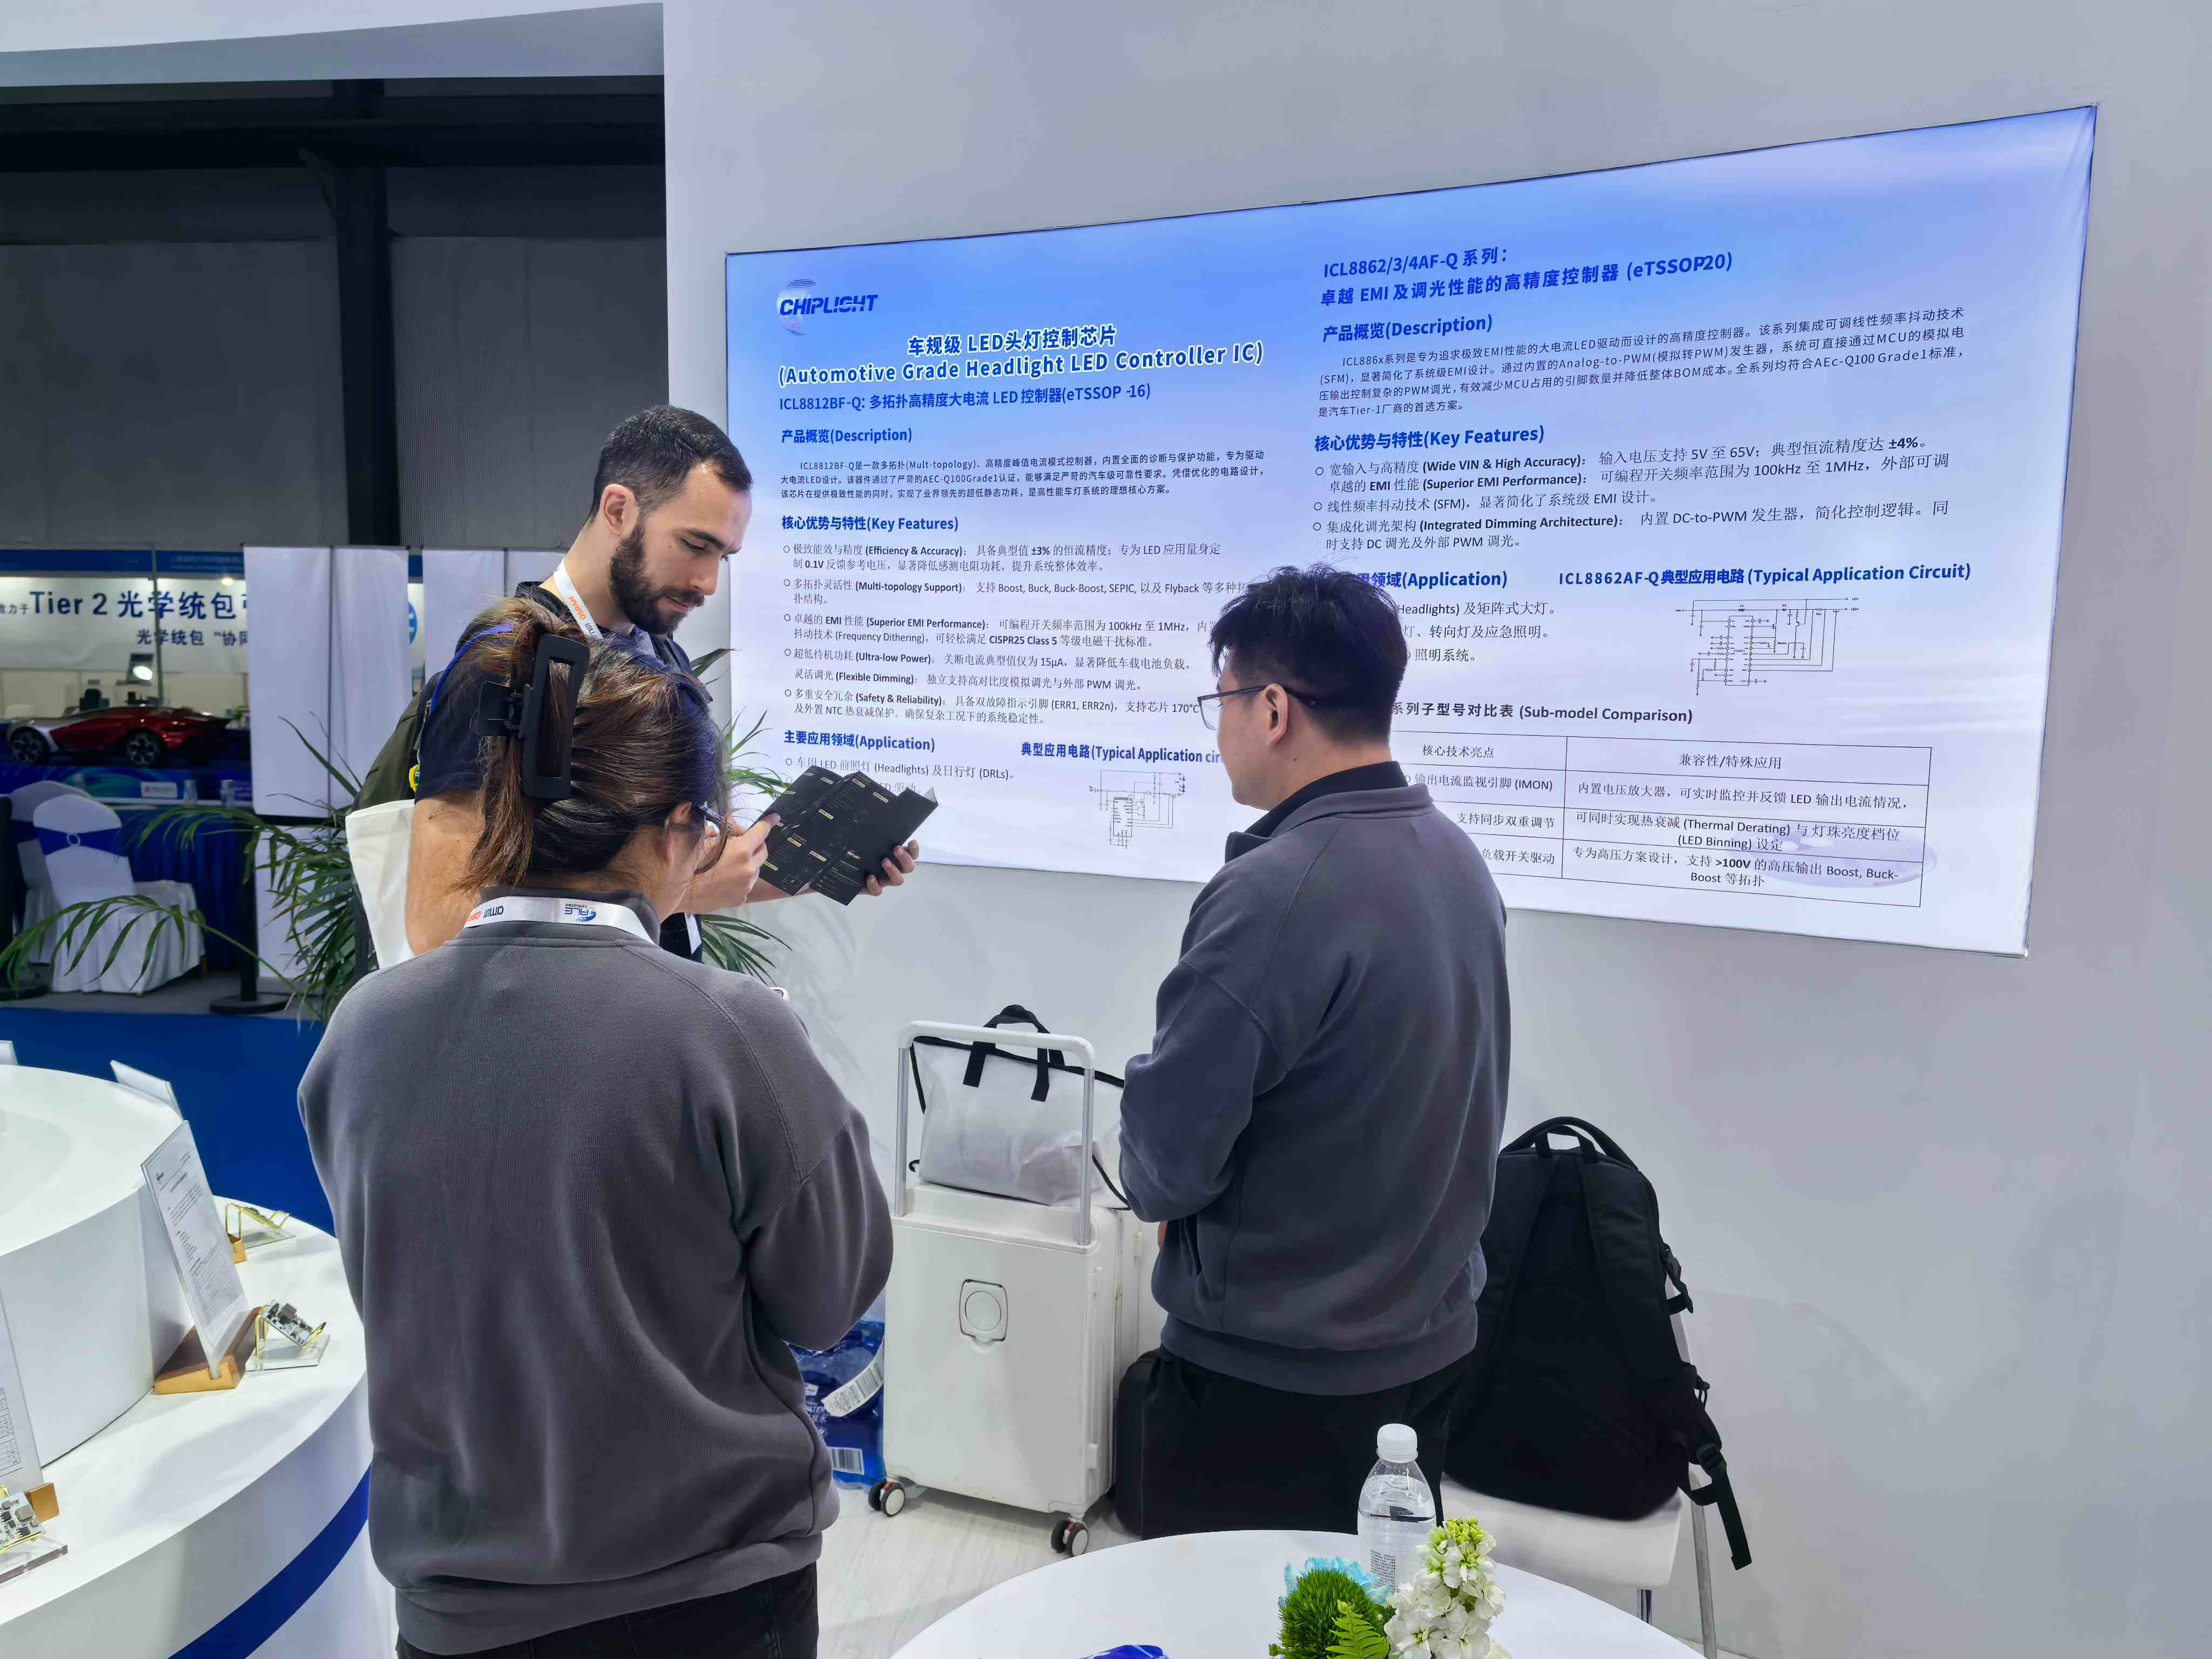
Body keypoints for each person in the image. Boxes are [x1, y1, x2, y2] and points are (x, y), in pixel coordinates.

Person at [301, 599, 892, 1658]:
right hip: (710, 1593)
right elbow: (827, 1298)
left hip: (459, 1608)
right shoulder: (730, 1033)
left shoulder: (364, 1031)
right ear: (677, 829)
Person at [1117, 563, 1511, 1536]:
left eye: (1221, 702)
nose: (1218, 730)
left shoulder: (1276, 889)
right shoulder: (1456, 857)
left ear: (1273, 709)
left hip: (1274, 1389)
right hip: (1425, 1355)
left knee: (1226, 1612)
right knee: (1370, 1606)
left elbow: (1166, 1165)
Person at [402, 404, 919, 960]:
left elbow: (686, 871)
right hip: (569, 1004)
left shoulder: (660, 656)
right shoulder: (508, 663)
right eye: (695, 546)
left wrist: (829, 865)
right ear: (618, 510)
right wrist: (682, 889)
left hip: (651, 991)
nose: (709, 582)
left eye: (724, 556)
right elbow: (436, 923)